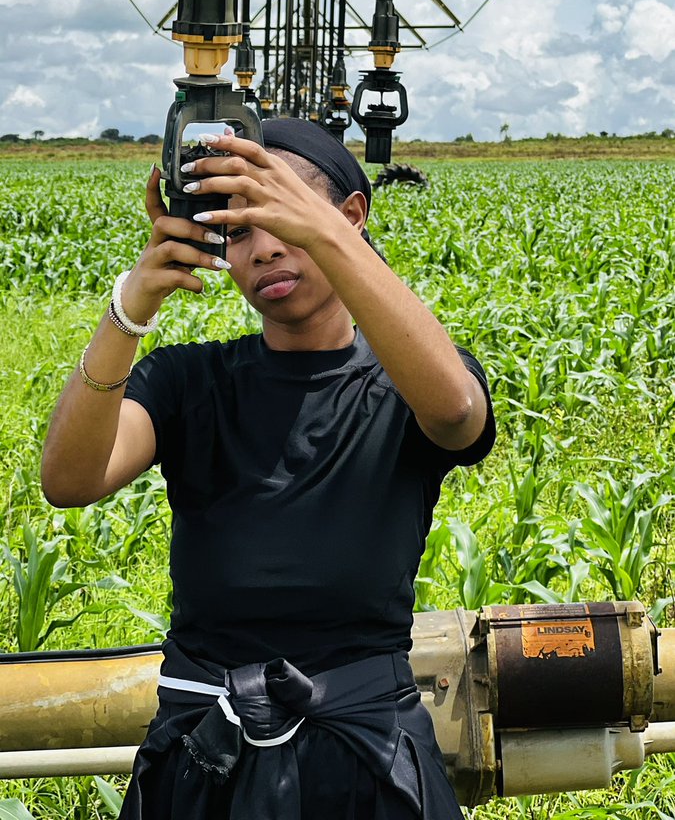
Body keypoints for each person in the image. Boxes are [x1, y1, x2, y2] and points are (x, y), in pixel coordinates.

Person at [42, 118, 495, 820]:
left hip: (368, 755)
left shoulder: (408, 382)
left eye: (281, 218)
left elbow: (457, 415)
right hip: (204, 756)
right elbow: (70, 481)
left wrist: (327, 237)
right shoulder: (189, 381)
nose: (264, 250)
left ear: (349, 216)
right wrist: (129, 309)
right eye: (240, 231)